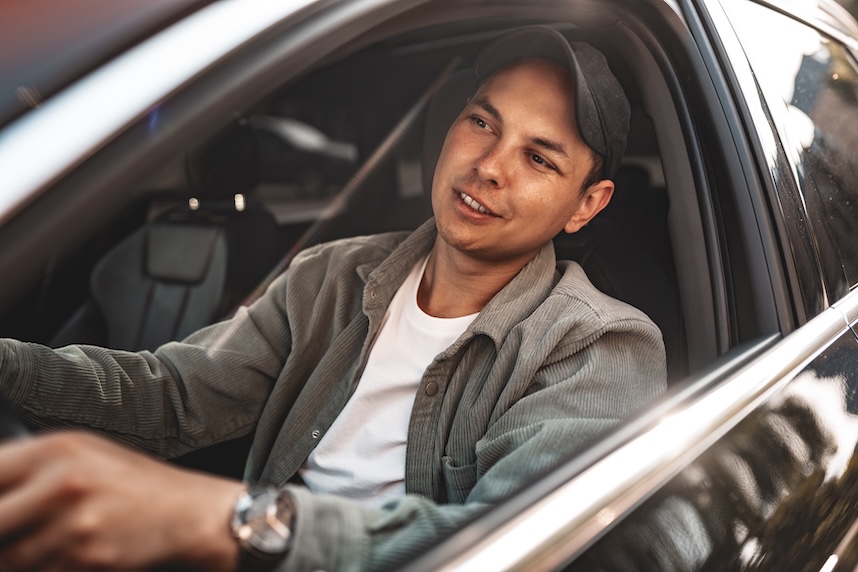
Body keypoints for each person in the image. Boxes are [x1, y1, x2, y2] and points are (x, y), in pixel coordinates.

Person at [0, 25, 666, 571]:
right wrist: (11, 367)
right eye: (482, 123)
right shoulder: (331, 275)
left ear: (586, 204)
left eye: (540, 159)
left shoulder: (598, 346)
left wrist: (232, 521)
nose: (490, 165)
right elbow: (176, 393)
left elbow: (509, 541)